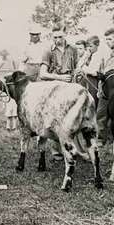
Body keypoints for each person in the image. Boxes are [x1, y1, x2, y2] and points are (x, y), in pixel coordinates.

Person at [39, 23, 78, 161]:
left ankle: (73, 148)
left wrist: (76, 74)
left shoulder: (73, 49)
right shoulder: (48, 51)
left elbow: (77, 67)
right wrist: (59, 77)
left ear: (65, 34)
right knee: (55, 119)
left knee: (72, 117)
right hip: (54, 86)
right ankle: (56, 152)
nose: (57, 40)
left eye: (60, 36)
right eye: (54, 37)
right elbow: (42, 74)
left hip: (70, 85)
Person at [76, 36, 104, 106]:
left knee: (92, 101)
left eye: (91, 46)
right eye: (87, 46)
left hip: (94, 81)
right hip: (86, 80)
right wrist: (85, 56)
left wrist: (82, 69)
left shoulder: (98, 55)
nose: (89, 48)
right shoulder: (88, 55)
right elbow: (78, 65)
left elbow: (93, 71)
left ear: (97, 45)